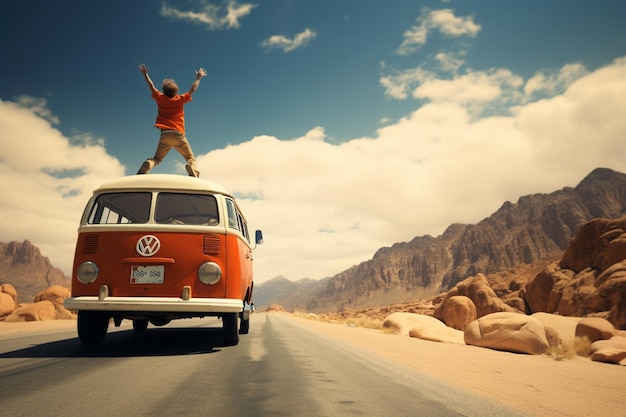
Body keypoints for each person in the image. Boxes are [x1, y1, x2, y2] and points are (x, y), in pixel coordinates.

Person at [136, 63, 207, 177]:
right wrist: (199, 77)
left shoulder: (160, 98)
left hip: (165, 135)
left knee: (157, 159)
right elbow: (192, 89)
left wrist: (145, 75)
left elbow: (152, 87)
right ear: (176, 92)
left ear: (164, 91)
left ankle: (149, 164)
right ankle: (193, 169)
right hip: (178, 135)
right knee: (191, 158)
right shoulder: (179, 99)